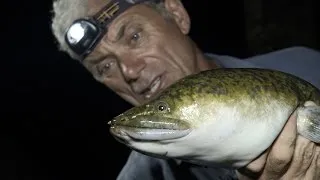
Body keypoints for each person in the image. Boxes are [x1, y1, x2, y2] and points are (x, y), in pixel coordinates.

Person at [50, 0, 320, 179]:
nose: (128, 71)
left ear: (177, 15)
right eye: (104, 67)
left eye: (134, 36)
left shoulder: (307, 61)